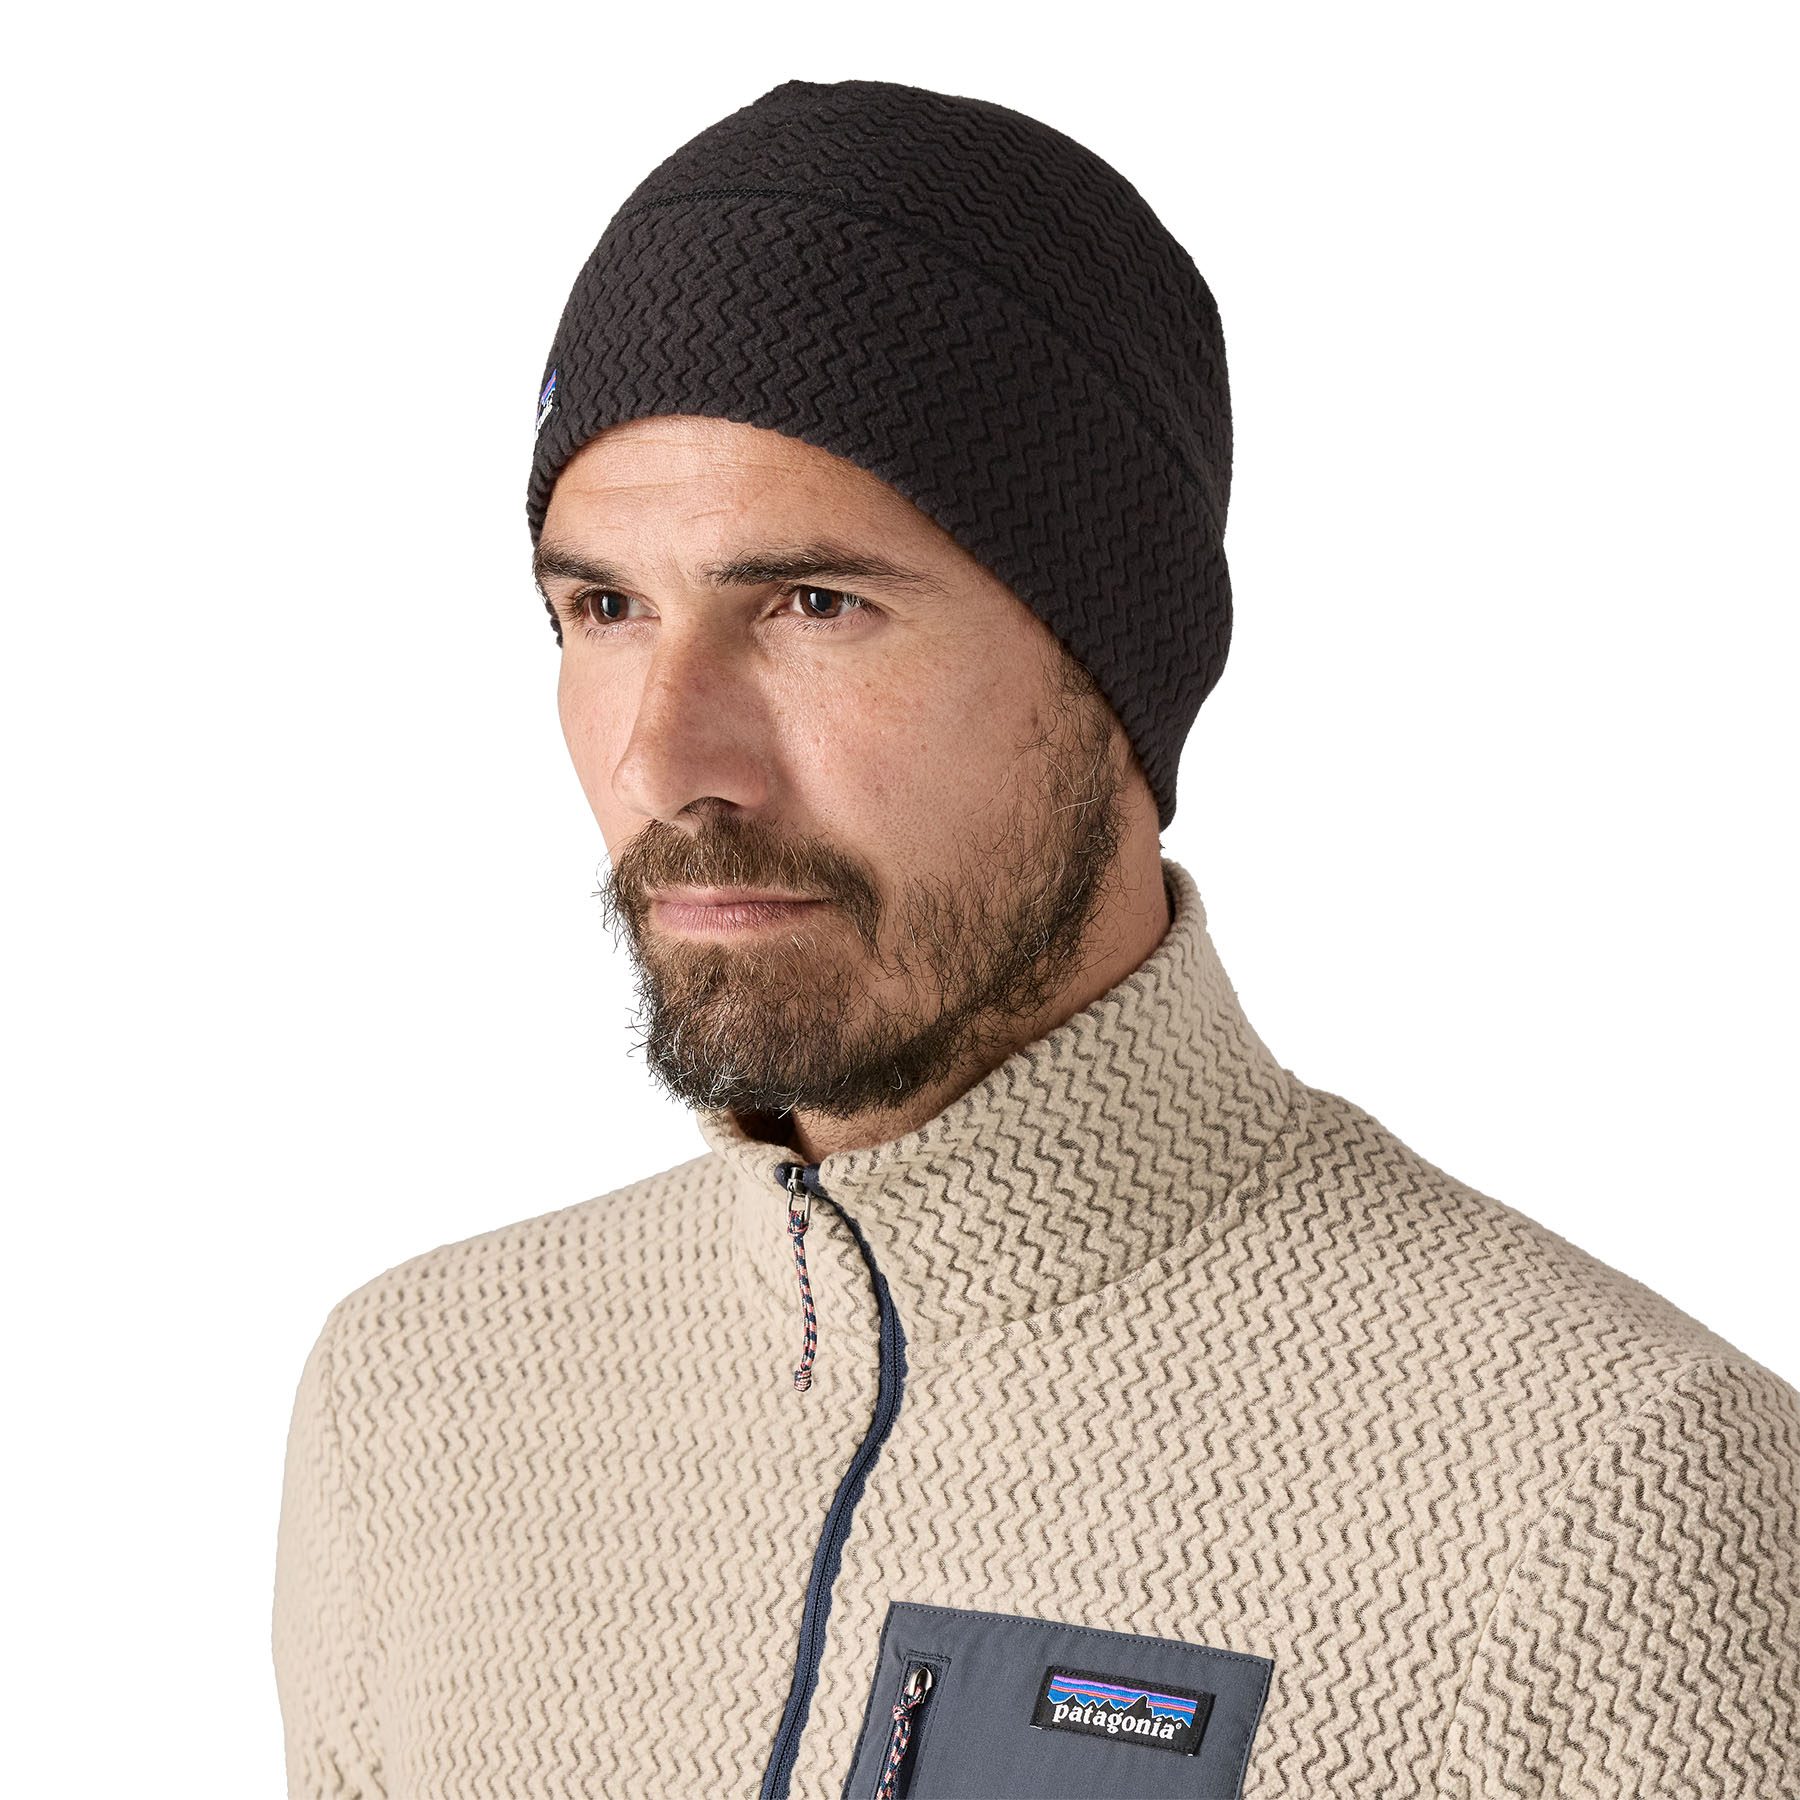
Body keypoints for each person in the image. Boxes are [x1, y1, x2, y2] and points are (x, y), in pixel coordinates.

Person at [273, 79, 1799, 1800]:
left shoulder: (1611, 1502)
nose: (662, 756)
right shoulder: (415, 1408)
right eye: (604, 608)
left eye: (816, 604)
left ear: (1111, 669)